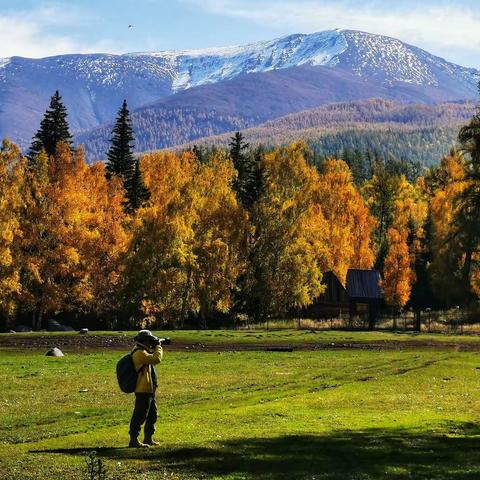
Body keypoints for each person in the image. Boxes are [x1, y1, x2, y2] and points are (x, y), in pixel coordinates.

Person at [128, 329, 163, 448]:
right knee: (140, 415)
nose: (151, 343)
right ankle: (134, 439)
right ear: (145, 341)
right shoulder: (139, 353)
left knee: (152, 414)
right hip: (142, 389)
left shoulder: (143, 351)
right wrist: (158, 346)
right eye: (150, 341)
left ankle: (148, 438)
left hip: (148, 389)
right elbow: (156, 359)